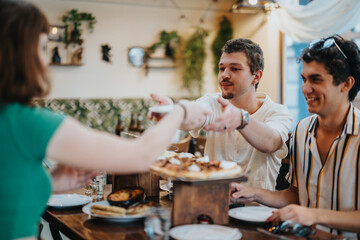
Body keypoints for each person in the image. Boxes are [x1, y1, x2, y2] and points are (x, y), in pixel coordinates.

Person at [0, 2, 211, 239]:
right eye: (42, 48)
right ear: (18, 55)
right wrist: (180, 111)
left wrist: (47, 184)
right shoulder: (27, 122)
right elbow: (140, 156)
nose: (46, 60)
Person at [230, 35, 360, 238]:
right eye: (304, 79)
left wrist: (313, 215)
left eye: (316, 79)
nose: (305, 89)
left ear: (346, 84)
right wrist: (252, 192)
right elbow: (294, 195)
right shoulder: (302, 130)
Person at [152, 38, 293, 190]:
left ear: (256, 76)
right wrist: (174, 112)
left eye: (235, 69)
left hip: (257, 210)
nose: (224, 75)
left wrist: (240, 119)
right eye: (222, 68)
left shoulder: (277, 112)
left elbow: (270, 142)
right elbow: (196, 114)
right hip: (212, 204)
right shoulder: (213, 102)